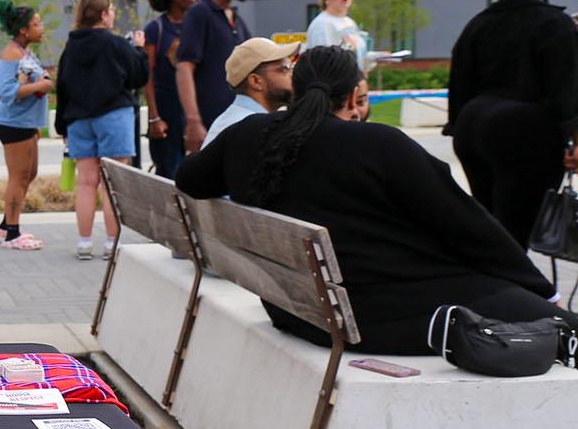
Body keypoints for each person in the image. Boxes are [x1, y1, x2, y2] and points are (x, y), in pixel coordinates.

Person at [178, 46, 575, 354]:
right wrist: (543, 289)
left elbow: (190, 180)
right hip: (379, 314)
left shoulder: (246, 135)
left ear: (296, 90)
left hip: (295, 310)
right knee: (562, 325)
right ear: (353, 96)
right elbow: (467, 225)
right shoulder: (380, 144)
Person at [447, 0, 578, 246]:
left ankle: (487, 284)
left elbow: (460, 81)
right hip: (525, 133)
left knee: (488, 221)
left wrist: (458, 125)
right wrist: (571, 138)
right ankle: (514, 289)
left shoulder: (478, 23)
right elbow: (564, 90)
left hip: (472, 127)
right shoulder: (555, 25)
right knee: (516, 232)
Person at [54, 0, 148, 260]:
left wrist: (63, 125)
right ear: (103, 14)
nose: (113, 15)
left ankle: (84, 242)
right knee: (111, 182)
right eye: (111, 11)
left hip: (79, 120)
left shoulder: (70, 47)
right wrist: (139, 49)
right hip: (113, 115)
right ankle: (111, 243)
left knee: (85, 182)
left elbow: (63, 87)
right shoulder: (116, 44)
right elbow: (138, 76)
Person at [0, 0, 52, 250]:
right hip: (12, 122)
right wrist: (41, 85)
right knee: (18, 176)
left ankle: (7, 224)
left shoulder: (24, 51)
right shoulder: (11, 53)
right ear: (24, 30)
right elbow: (4, 91)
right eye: (37, 23)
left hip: (25, 123)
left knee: (29, 173)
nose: (42, 27)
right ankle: (12, 234)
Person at [176, 0, 253, 153]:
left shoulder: (237, 19)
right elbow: (184, 67)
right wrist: (193, 121)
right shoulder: (200, 14)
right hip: (211, 127)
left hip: (239, 124)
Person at [142, 0, 202, 179]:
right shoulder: (156, 29)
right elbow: (147, 74)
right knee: (168, 172)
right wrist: (154, 117)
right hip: (167, 109)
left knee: (196, 171)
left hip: (196, 109)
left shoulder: (198, 26)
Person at [200, 37, 298, 147]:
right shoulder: (243, 129)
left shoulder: (244, 122)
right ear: (256, 81)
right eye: (285, 69)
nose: (293, 75)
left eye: (292, 67)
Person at [304, 0, 370, 66]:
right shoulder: (322, 24)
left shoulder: (349, 22)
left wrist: (376, 59)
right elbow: (325, 62)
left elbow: (358, 57)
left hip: (355, 78)